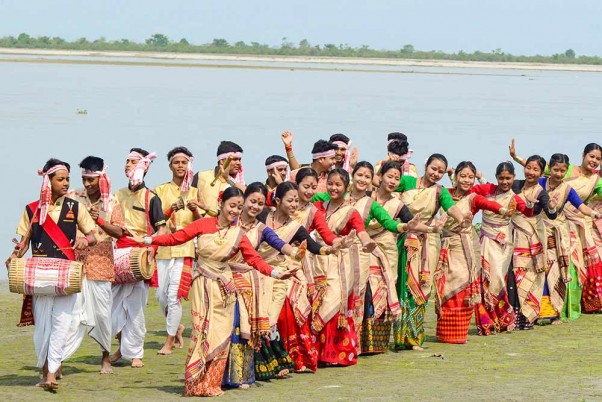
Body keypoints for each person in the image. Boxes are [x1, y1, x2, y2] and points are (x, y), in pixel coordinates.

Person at [132, 187, 294, 397]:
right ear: (221, 204)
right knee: (202, 332)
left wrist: (275, 272)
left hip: (225, 288)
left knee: (221, 334)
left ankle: (211, 383)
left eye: (238, 206)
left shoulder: (238, 234)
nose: (235, 211)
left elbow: (253, 259)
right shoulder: (203, 224)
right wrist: (147, 240)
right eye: (231, 206)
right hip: (203, 285)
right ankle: (196, 383)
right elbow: (176, 239)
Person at [312, 161, 433, 354]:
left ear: (371, 179)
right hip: (330, 252)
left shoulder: (371, 204)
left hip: (362, 251)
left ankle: (358, 343)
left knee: (364, 292)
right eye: (359, 175)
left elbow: (389, 223)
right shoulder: (335, 196)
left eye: (367, 177)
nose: (362, 179)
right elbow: (307, 200)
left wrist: (407, 227)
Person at [7, 158, 97, 390]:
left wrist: (83, 240)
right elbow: (24, 243)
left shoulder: (75, 207)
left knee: (63, 323)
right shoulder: (31, 209)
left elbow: (93, 236)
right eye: (60, 179)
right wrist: (14, 256)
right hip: (40, 277)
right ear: (48, 181)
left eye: (67, 179)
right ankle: (48, 367)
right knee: (44, 325)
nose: (66, 183)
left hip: (66, 273)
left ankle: (51, 373)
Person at [224, 182, 306, 387]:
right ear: (243, 201)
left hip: (247, 281)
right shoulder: (229, 221)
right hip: (221, 278)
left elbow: (278, 243)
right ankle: (217, 374)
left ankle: (240, 375)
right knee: (221, 327)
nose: (255, 207)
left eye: (260, 203)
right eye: (252, 201)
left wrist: (296, 253)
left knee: (242, 327)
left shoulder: (261, 229)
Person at [393, 153, 471, 351]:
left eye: (441, 172)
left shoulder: (440, 191)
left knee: (422, 287)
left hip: (429, 242)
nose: (436, 174)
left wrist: (463, 219)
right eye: (433, 169)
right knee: (402, 285)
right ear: (426, 166)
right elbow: (385, 183)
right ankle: (400, 337)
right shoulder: (408, 181)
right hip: (404, 238)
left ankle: (414, 339)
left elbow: (451, 208)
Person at [433, 161, 514, 344]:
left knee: (462, 283)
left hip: (465, 246)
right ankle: (444, 332)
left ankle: (458, 333)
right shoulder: (444, 193)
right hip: (446, 244)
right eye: (463, 176)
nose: (467, 180)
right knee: (444, 285)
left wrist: (503, 210)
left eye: (471, 177)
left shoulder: (473, 197)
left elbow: (487, 204)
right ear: (456, 177)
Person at [310, 168, 377, 366]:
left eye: (338, 184)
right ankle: (319, 353)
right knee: (318, 302)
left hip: (341, 262)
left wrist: (367, 243)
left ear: (346, 187)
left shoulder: (351, 212)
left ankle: (337, 353)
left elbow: (361, 231)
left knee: (335, 302)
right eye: (330, 183)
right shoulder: (317, 207)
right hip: (319, 261)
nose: (333, 188)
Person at [64, 156, 124, 374]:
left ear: (101, 178)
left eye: (91, 180)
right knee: (70, 314)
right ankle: (58, 359)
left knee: (101, 315)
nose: (87, 184)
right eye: (84, 179)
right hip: (75, 263)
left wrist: (99, 220)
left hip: (101, 264)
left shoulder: (113, 202)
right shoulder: (72, 197)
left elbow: (119, 232)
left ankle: (105, 357)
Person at [110, 148, 168, 368]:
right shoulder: (117, 195)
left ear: (144, 167)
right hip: (118, 252)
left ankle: (136, 353)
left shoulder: (151, 198)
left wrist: (153, 249)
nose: (128, 165)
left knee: (134, 308)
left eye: (133, 162)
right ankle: (122, 346)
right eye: (126, 161)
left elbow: (161, 230)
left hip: (139, 254)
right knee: (112, 307)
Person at [535, 153, 602, 323]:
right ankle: (535, 311)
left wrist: (594, 214)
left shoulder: (567, 189)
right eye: (555, 170)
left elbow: (581, 206)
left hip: (557, 232)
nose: (558, 174)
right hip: (537, 230)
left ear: (566, 172)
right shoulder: (540, 183)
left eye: (562, 171)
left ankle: (553, 311)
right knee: (537, 267)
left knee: (556, 269)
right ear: (550, 168)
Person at [471, 162, 530, 335]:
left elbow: (528, 212)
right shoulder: (487, 189)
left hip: (502, 243)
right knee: (483, 281)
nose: (505, 182)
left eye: (508, 178)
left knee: (497, 278)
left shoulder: (516, 199)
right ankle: (486, 323)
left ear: (513, 178)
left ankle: (503, 319)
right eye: (501, 178)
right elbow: (467, 193)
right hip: (484, 240)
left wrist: (540, 205)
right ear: (496, 177)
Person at [153, 147, 201, 355]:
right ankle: (177, 326)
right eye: (176, 163)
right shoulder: (159, 191)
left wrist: (195, 210)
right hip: (164, 246)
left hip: (185, 248)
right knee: (160, 296)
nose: (180, 166)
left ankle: (169, 340)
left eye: (184, 163)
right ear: (170, 165)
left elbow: (202, 224)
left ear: (189, 165)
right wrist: (170, 209)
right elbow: (155, 220)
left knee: (174, 297)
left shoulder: (195, 192)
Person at [507, 155, 558, 330]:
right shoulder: (515, 185)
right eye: (529, 167)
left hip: (532, 240)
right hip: (512, 236)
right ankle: (511, 318)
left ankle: (527, 317)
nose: (531, 172)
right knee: (512, 276)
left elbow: (551, 215)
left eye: (536, 169)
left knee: (528, 276)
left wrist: (551, 206)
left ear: (541, 173)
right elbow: (498, 193)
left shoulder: (540, 193)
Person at [192, 140, 245, 217]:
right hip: (201, 225)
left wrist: (228, 178)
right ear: (222, 161)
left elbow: (249, 194)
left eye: (239, 160)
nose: (238, 163)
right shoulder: (201, 176)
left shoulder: (237, 183)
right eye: (234, 159)